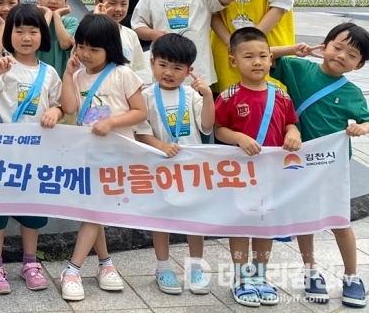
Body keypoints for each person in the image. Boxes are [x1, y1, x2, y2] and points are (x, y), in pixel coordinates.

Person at [271, 23, 369, 307]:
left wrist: (362, 127)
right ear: (324, 46)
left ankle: (352, 276)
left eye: (352, 55)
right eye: (337, 47)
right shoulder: (299, 69)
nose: (342, 56)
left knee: (340, 221)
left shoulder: (352, 93)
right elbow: (265, 54)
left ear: (359, 65)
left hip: (332, 167)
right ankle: (311, 271)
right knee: (306, 218)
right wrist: (295, 48)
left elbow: (367, 119)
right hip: (300, 163)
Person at [0, 4, 63, 295]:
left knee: (32, 211)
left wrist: (56, 112)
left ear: (42, 35)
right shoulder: (3, 67)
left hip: (36, 156)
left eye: (33, 31)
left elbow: (60, 104)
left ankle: (30, 262)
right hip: (4, 154)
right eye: (19, 31)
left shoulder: (49, 73)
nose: (25, 37)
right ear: (8, 34)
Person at [56, 14, 147, 302]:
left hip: (116, 155)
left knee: (95, 211)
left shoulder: (123, 74)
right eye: (81, 46)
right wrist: (68, 74)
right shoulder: (78, 75)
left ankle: (74, 269)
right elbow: (69, 107)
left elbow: (140, 112)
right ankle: (104, 264)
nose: (85, 54)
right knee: (96, 211)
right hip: (89, 155)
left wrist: (112, 122)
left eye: (93, 49)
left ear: (110, 48)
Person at [214, 27, 301, 307]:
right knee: (241, 224)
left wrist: (293, 133)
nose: (257, 62)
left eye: (263, 56)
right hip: (241, 175)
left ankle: (260, 274)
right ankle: (241, 276)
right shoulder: (228, 96)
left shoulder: (281, 95)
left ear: (271, 59)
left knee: (266, 225)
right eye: (248, 56)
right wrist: (238, 138)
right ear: (233, 60)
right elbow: (218, 130)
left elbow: (290, 123)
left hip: (273, 176)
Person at [134, 34, 215, 296]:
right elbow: (140, 131)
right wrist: (160, 145)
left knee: (195, 219)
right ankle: (163, 267)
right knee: (162, 218)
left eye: (177, 67)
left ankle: (196, 268)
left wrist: (208, 96)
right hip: (160, 167)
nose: (169, 72)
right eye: (163, 65)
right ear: (152, 62)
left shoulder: (191, 95)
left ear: (189, 71)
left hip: (190, 169)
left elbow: (206, 125)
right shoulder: (146, 96)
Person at [95, 0, 150, 84]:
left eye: (124, 4)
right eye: (112, 3)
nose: (119, 9)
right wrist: (96, 20)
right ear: (98, 3)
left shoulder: (131, 35)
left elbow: (134, 69)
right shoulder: (90, 31)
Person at [35, 0, 78, 76]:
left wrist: (57, 16)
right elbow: (36, 40)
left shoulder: (71, 22)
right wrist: (48, 15)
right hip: (36, 78)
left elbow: (65, 44)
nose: (53, 1)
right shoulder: (32, 20)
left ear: (66, 0)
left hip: (61, 78)